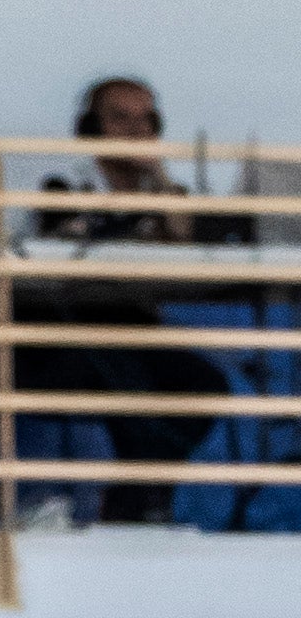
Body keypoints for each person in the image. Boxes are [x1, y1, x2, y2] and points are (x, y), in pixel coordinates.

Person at [22, 77, 234, 528]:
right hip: (64, 334)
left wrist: (157, 175)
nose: (137, 129)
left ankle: (139, 501)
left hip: (133, 330)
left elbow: (185, 239)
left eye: (147, 119)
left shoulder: (159, 191)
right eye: (121, 117)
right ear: (90, 128)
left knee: (203, 386)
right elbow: (65, 243)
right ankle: (139, 505)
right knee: (137, 388)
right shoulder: (63, 183)